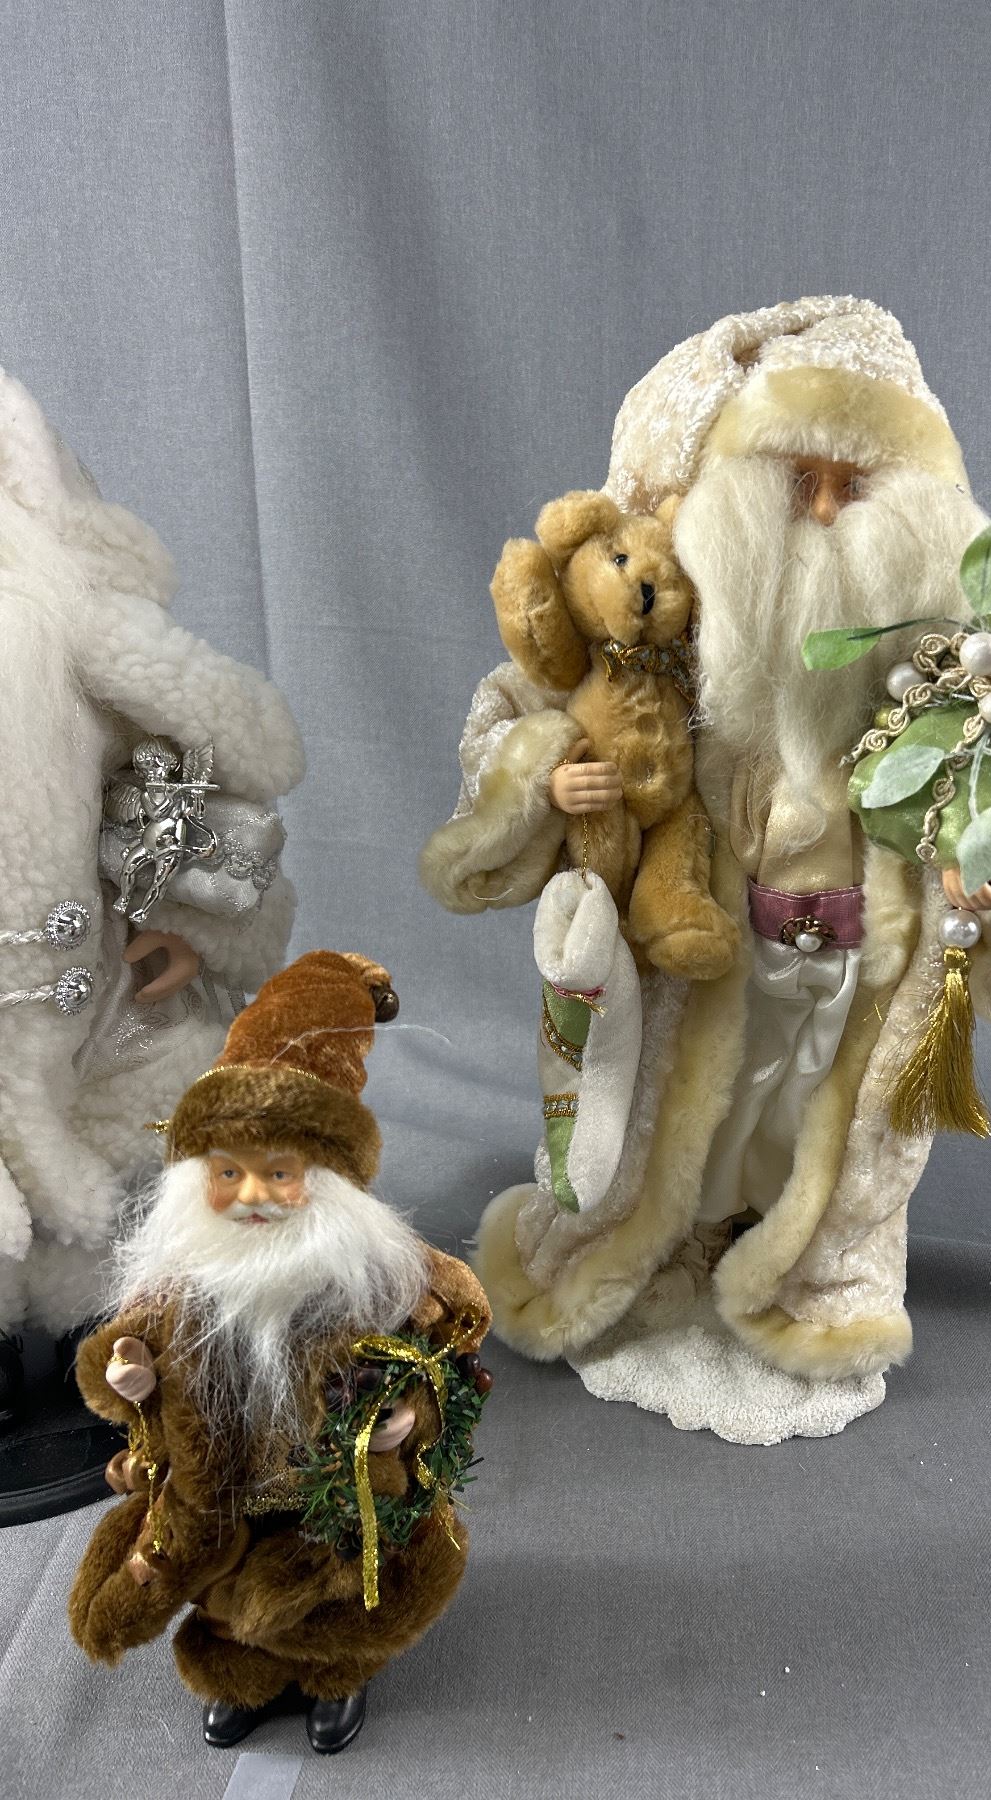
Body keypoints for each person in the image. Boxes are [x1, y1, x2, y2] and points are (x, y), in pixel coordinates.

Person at [422, 297, 991, 1438]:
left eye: (858, 482)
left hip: (861, 965)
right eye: (799, 479)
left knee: (821, 1133)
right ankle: (670, 1253)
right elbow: (525, 708)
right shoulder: (673, 618)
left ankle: (813, 1284)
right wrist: (546, 776)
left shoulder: (966, 645)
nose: (829, 511)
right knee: (694, 1122)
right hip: (709, 951)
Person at [68, 951, 492, 1755]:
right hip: (221, 1490)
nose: (253, 1197)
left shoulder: (387, 1280)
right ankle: (244, 1680)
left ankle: (338, 1678)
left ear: (325, 1180)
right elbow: (115, 1356)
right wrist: (128, 1373)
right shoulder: (178, 1284)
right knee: (227, 1593)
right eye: (228, 1173)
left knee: (338, 1593)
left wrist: (410, 1415)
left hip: (333, 1494)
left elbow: (448, 1358)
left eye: (279, 1173)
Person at [0, 370, 304, 1428]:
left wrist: (182, 924)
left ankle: (94, 1337)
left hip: (79, 995)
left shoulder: (57, 611)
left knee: (106, 1144)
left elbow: (194, 768)